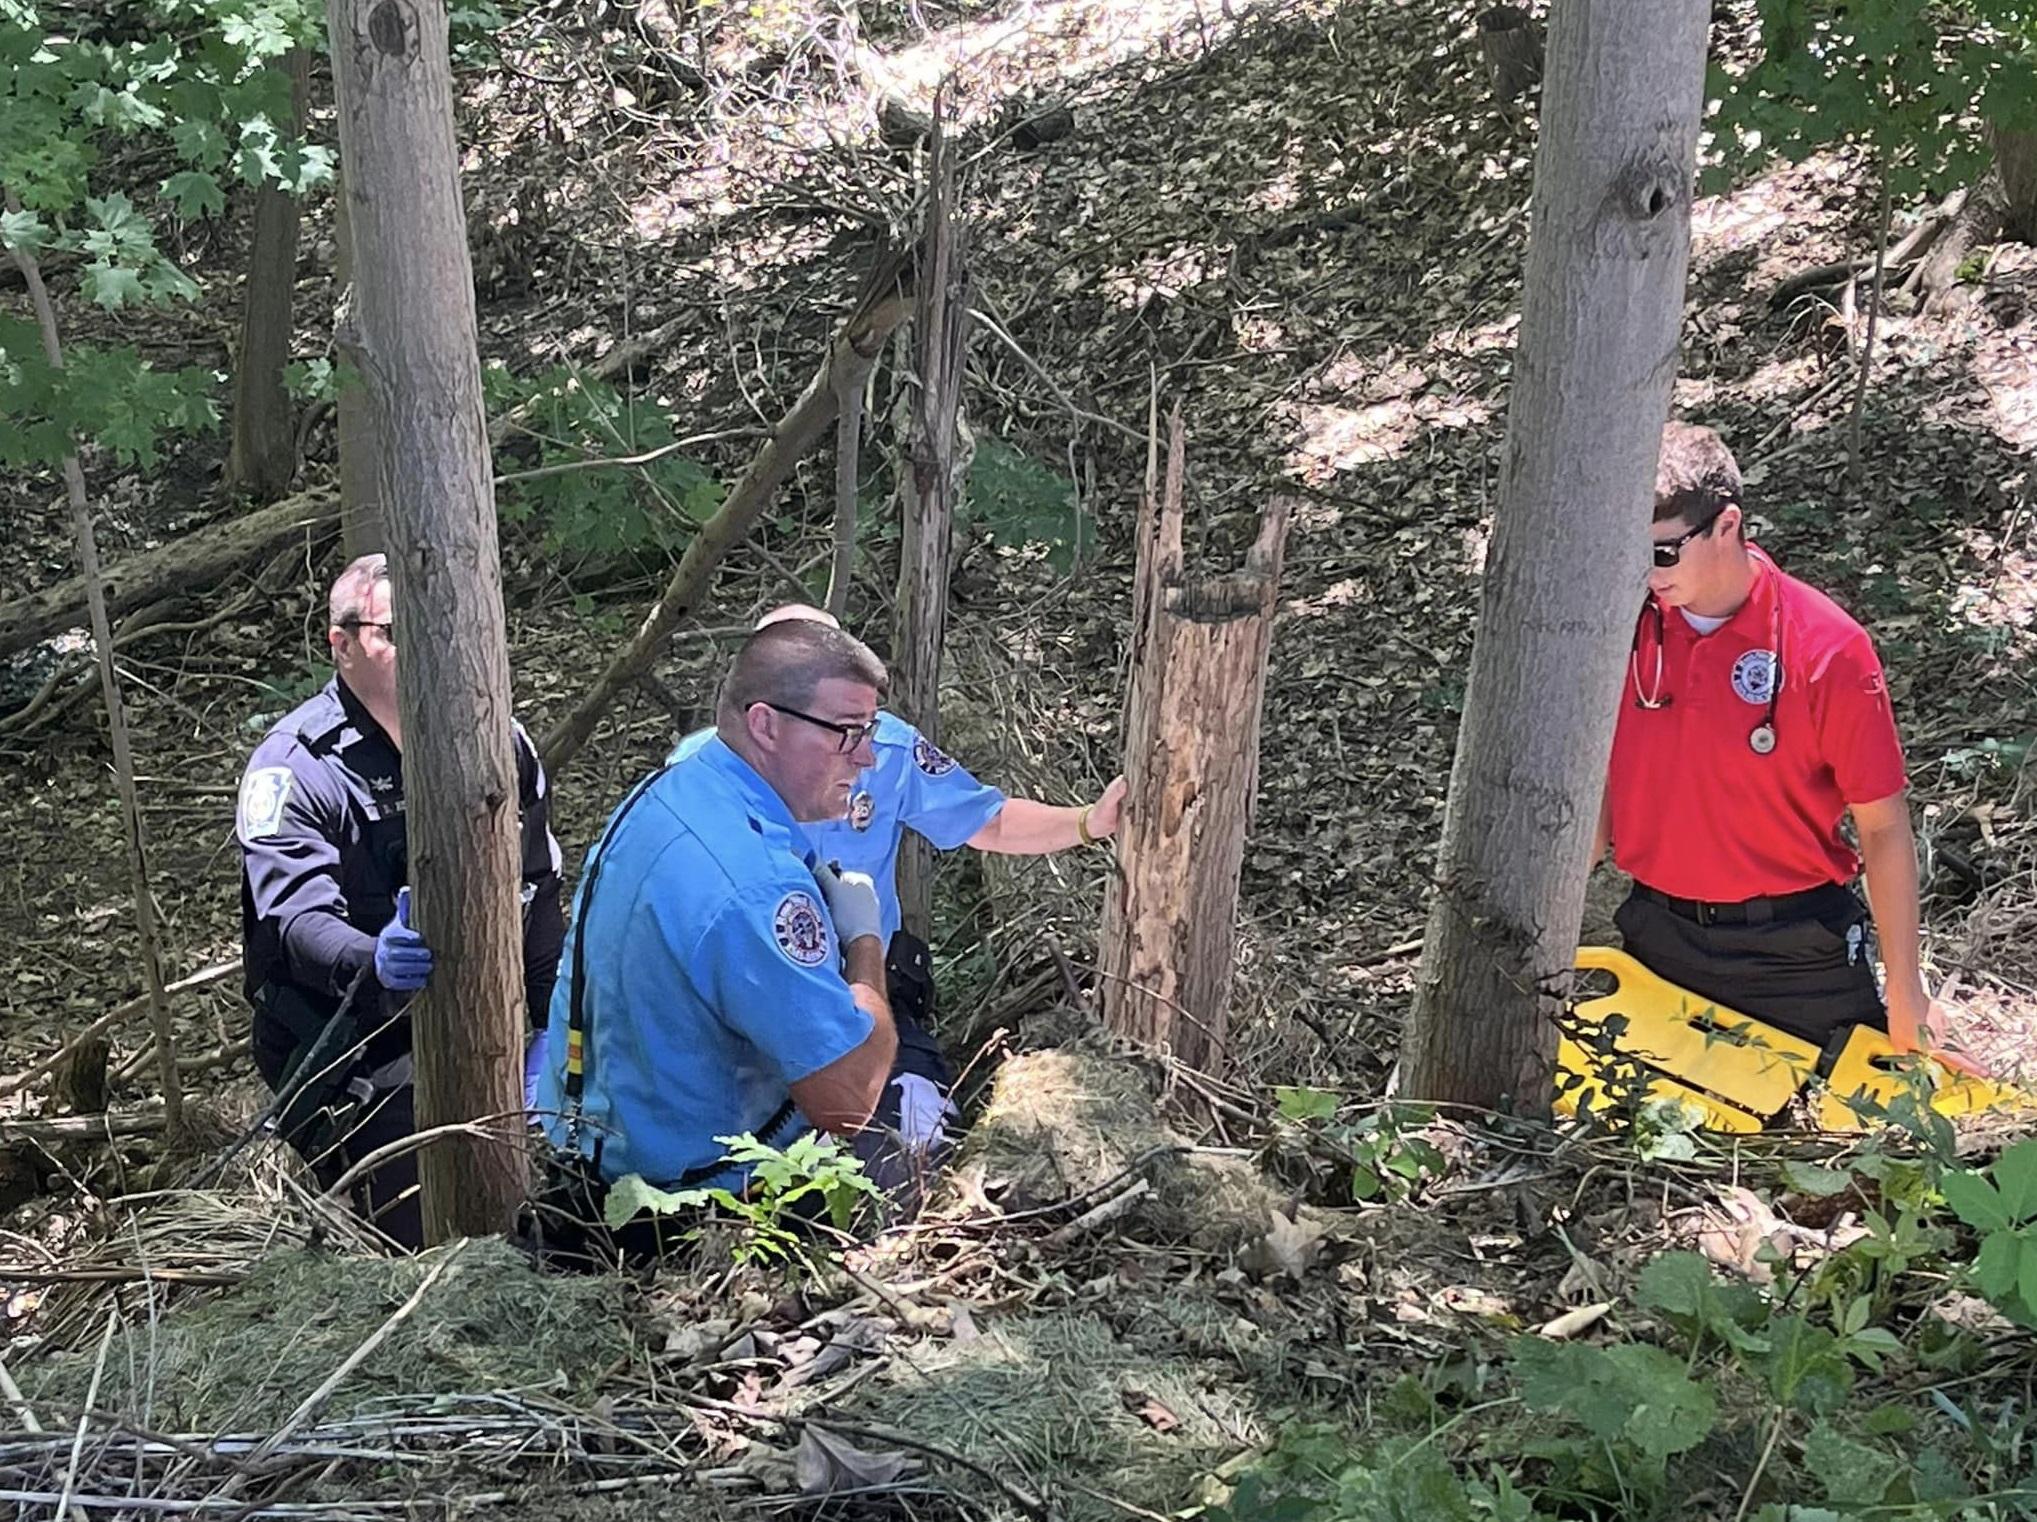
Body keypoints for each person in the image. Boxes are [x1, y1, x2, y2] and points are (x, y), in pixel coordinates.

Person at [667, 604, 1127, 1150]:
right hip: (757, 996)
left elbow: (987, 820)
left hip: (871, 988)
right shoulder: (703, 767)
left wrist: (1089, 822)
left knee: (924, 1142)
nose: (854, 752)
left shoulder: (886, 747)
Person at [1592, 422, 1977, 1073]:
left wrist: (1906, 989)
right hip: (1656, 935)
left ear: (1726, 525)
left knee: (1853, 1139)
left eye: (1661, 553)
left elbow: (1882, 829)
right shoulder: (1614, 631)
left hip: (1794, 951)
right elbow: (1592, 803)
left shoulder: (1825, 648)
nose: (1644, 573)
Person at [536, 619, 922, 1214]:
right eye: (847, 733)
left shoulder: (670, 791)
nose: (867, 757)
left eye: (868, 731)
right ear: (765, 724)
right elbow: (848, 1099)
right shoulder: (755, 881)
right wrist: (866, 939)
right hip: (697, 1210)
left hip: (586, 1158)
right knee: (918, 1165)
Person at [237, 554, 564, 1247]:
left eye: (431, 629)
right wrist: (372, 961)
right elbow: (294, 919)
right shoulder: (297, 765)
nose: (419, 653)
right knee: (426, 1233)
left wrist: (555, 1024)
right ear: (343, 644)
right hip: (346, 1041)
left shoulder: (496, 741)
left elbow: (538, 887)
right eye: (392, 633)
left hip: (485, 1015)